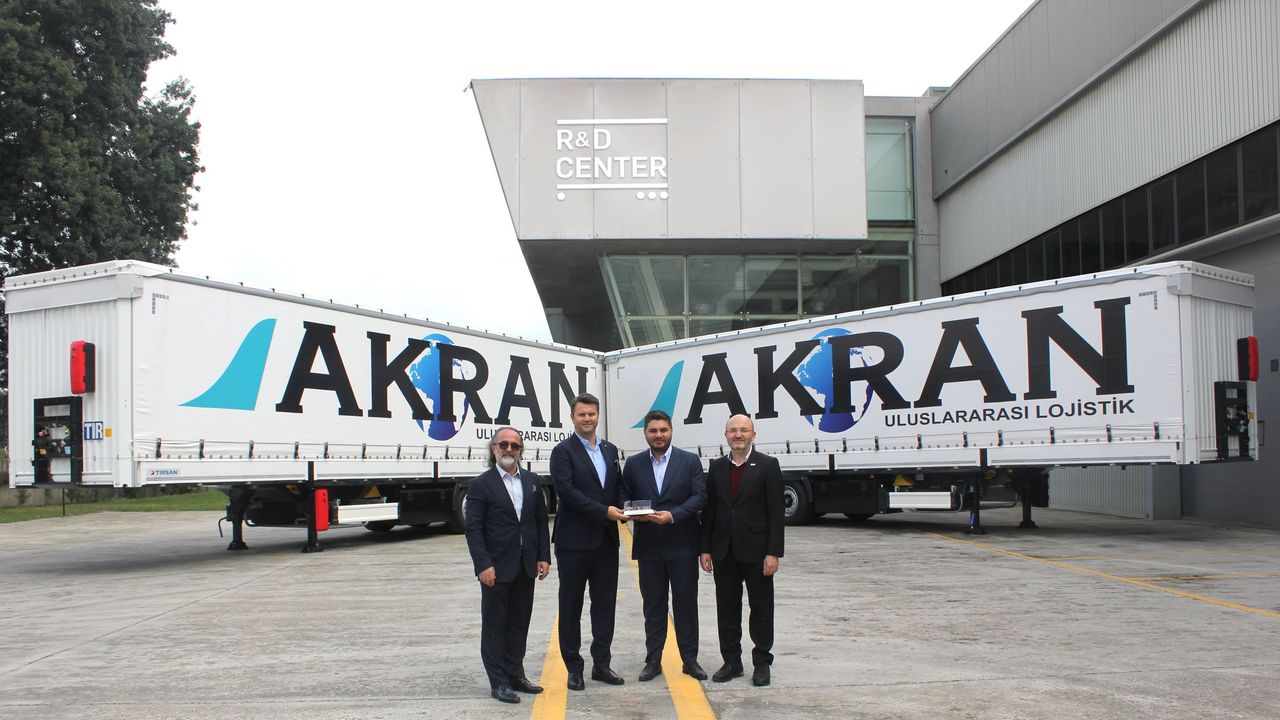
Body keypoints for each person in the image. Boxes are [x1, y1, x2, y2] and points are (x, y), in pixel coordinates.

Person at [464, 427, 551, 704]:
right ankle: (498, 682)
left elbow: (540, 521)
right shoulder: (481, 484)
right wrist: (483, 565)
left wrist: (543, 556)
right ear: (494, 448)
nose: (509, 449)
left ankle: (516, 674)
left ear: (521, 450)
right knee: (495, 626)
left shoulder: (532, 481)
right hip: (496, 569)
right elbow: (473, 528)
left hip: (525, 566)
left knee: (519, 624)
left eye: (515, 445)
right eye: (504, 444)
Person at [621, 410, 708, 682]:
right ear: (645, 434)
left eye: (663, 430)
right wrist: (634, 514)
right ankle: (653, 660)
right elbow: (624, 497)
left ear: (671, 431)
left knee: (686, 606)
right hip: (649, 548)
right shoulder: (633, 464)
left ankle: (690, 660)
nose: (658, 435)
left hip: (682, 546)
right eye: (653, 431)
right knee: (653, 606)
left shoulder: (689, 461)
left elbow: (700, 497)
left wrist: (673, 515)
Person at [699, 414, 784, 687]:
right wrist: (705, 549)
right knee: (727, 609)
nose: (738, 435)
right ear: (726, 435)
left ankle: (762, 663)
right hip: (724, 552)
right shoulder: (716, 467)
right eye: (733, 430)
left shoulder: (768, 466)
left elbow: (776, 513)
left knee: (761, 609)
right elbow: (710, 511)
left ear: (753, 435)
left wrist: (773, 552)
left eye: (744, 430)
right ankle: (732, 662)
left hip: (758, 553)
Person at [549, 392, 627, 691]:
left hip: (606, 541)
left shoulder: (610, 450)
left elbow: (617, 487)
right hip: (573, 543)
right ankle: (574, 667)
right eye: (582, 414)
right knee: (571, 606)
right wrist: (605, 512)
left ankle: (602, 665)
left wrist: (626, 509)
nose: (587, 418)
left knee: (604, 605)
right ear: (572, 417)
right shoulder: (562, 452)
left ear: (598, 415)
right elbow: (567, 493)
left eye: (592, 413)